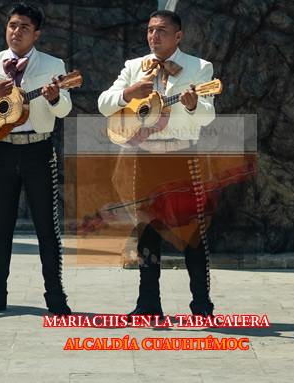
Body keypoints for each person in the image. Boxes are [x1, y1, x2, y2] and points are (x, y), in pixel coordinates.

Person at [0, 2, 72, 316]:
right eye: (12, 25)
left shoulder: (52, 64)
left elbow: (65, 110)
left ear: (37, 34)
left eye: (23, 27)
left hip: (38, 151)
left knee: (47, 229)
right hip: (1, 151)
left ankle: (56, 299)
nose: (16, 32)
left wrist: (56, 96)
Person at [98, 10, 216, 318]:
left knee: (192, 232)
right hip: (145, 157)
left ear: (178, 36)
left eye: (162, 30)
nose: (154, 36)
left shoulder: (199, 68)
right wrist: (128, 93)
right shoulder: (134, 67)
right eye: (151, 30)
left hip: (182, 156)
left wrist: (192, 105)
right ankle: (148, 304)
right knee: (146, 231)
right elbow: (103, 103)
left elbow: (208, 116)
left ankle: (202, 306)